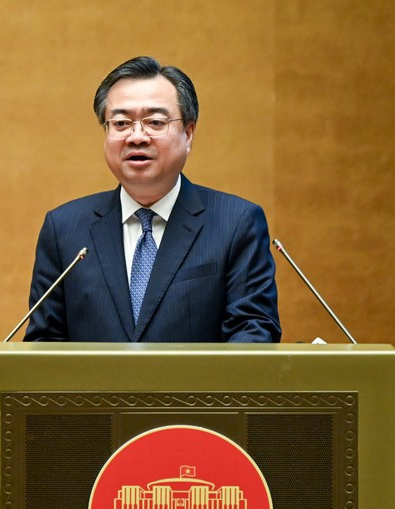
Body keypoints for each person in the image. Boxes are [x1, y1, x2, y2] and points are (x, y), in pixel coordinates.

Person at [23, 56, 281, 342]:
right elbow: (43, 344)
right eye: (120, 123)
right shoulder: (65, 229)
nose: (136, 136)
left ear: (189, 133)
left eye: (155, 122)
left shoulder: (236, 224)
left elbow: (253, 334)